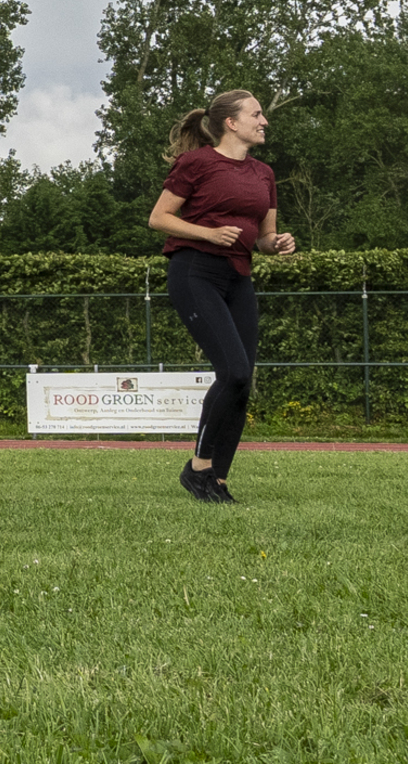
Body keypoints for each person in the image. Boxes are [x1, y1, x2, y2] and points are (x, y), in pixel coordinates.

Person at [147, 88, 297, 503]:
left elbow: (264, 237)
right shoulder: (196, 163)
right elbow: (158, 218)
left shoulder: (264, 174)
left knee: (242, 382)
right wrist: (209, 233)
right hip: (195, 271)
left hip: (238, 276)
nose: (264, 121)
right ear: (231, 123)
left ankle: (218, 481)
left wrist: (276, 244)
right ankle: (198, 468)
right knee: (231, 370)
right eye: (257, 113)